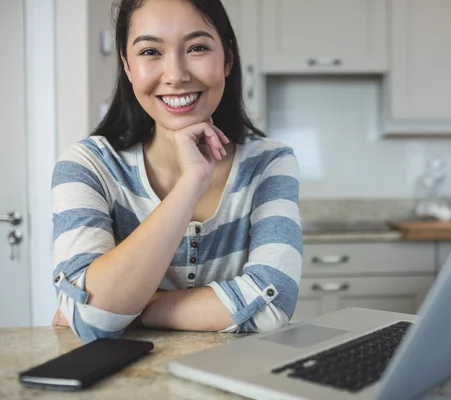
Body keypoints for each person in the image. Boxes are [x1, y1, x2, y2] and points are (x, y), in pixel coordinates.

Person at [51, 0, 302, 343]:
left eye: (197, 47)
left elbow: (271, 306)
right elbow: (93, 317)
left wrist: (129, 308)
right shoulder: (87, 166)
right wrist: (191, 183)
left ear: (227, 59)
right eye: (151, 51)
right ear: (126, 65)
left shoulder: (269, 162)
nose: (176, 75)